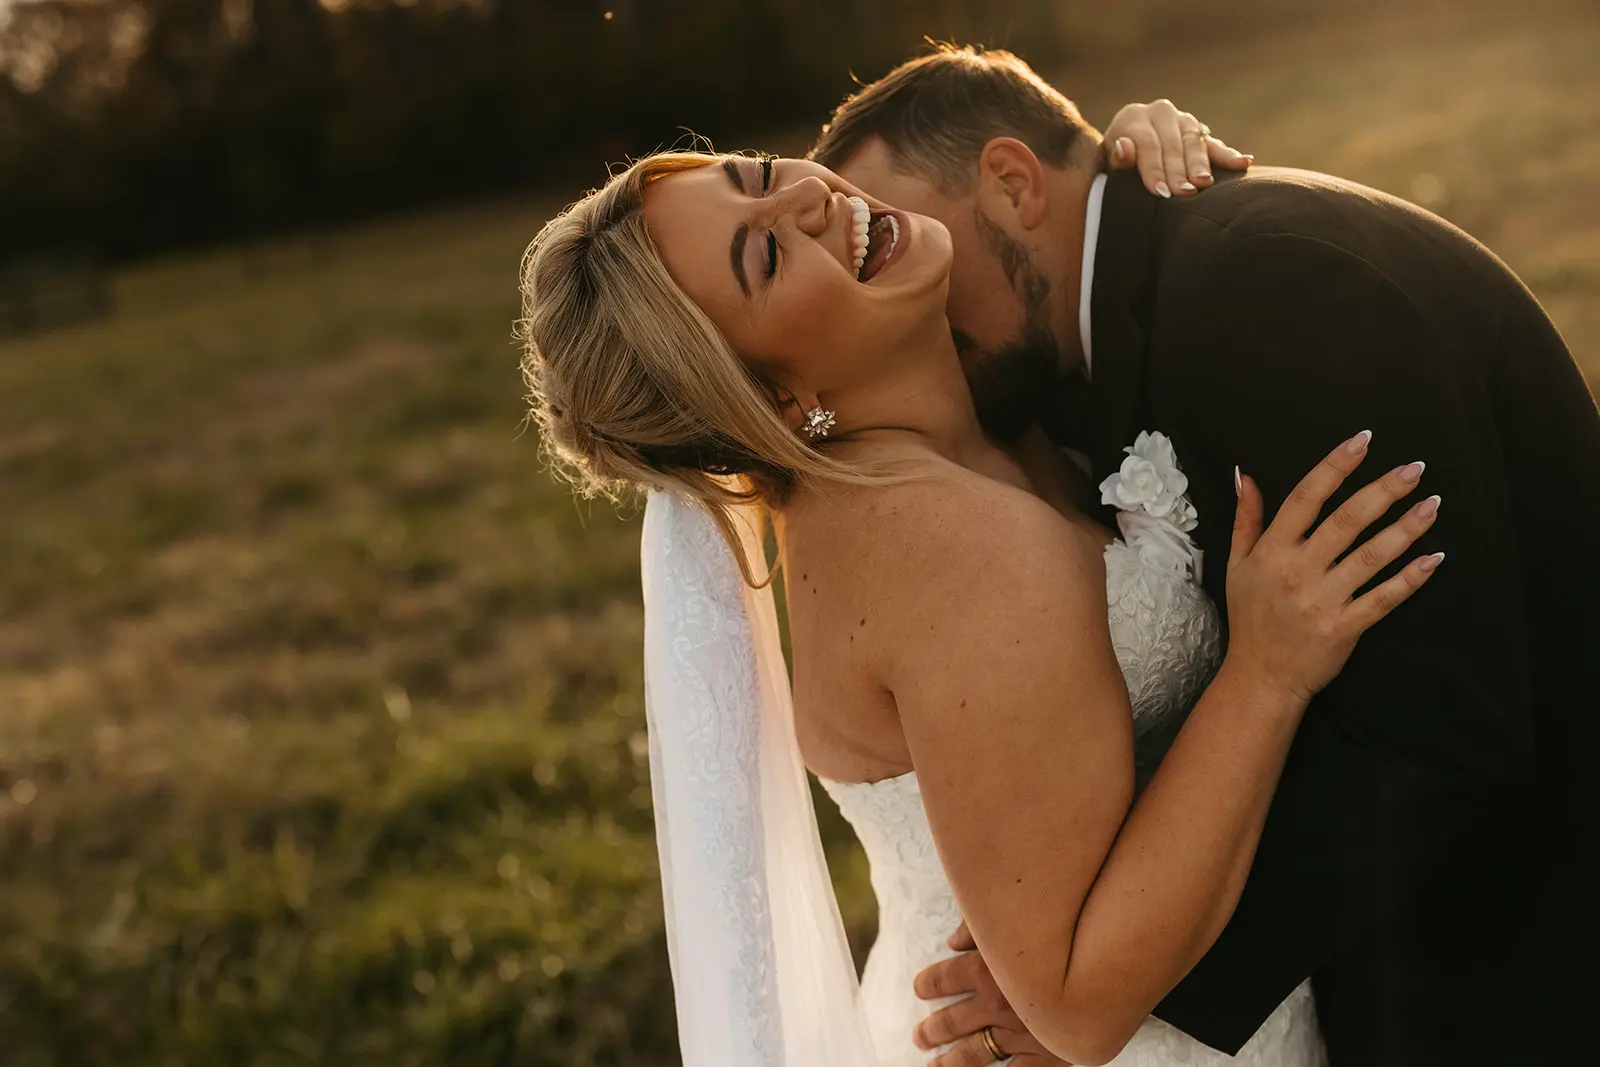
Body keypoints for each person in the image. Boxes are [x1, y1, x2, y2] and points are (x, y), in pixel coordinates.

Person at [517, 96, 1448, 1065]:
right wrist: (1266, 675)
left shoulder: (949, 418)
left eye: (757, 172)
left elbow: (992, 154)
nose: (807, 203)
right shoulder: (943, 550)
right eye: (764, 257)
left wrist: (1106, 162)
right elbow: (1076, 1004)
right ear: (773, 398)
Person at [809, 46, 1600, 1066]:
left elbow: (1441, 719)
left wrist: (1131, 988)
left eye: (899, 230)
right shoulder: (1079, 346)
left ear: (1011, 183)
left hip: (1524, 954)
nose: (904, 277)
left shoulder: (1268, 289)